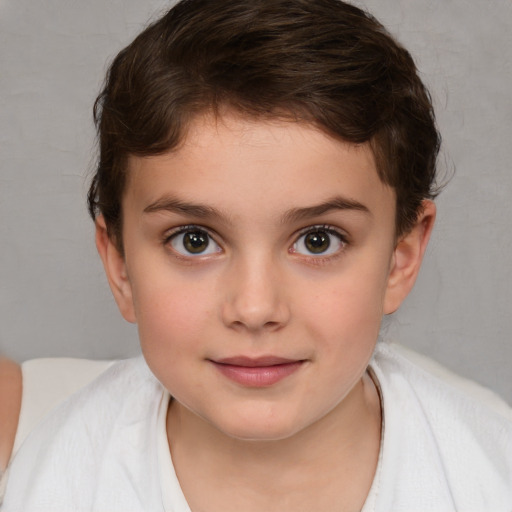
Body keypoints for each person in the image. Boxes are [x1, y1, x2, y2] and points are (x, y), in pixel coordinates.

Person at [2, 0, 511, 510]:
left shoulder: (490, 473)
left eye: (319, 240)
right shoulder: (40, 474)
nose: (255, 308)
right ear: (120, 268)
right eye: (194, 240)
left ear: (401, 258)